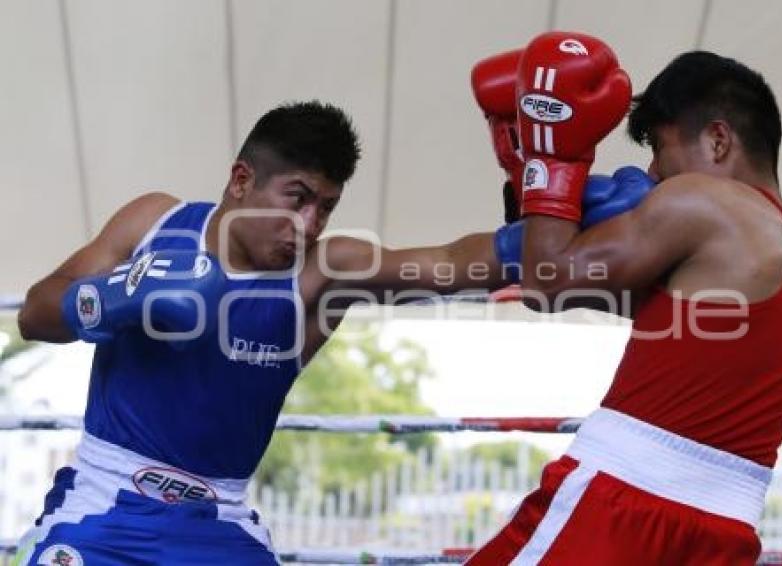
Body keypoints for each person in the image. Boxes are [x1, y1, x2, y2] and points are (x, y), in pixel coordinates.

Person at [14, 100, 521, 565]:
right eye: (297, 198)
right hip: (102, 507)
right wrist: (115, 295)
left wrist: (542, 203)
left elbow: (450, 264)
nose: (309, 223)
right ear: (241, 180)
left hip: (220, 524)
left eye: (325, 206)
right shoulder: (154, 223)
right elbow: (33, 315)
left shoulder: (321, 274)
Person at [467, 35, 782, 565]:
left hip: (621, 510)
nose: (654, 173)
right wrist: (529, 188)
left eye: (659, 147)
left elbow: (548, 282)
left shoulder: (707, 202)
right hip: (722, 533)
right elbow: (584, 285)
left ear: (718, 140)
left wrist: (550, 154)